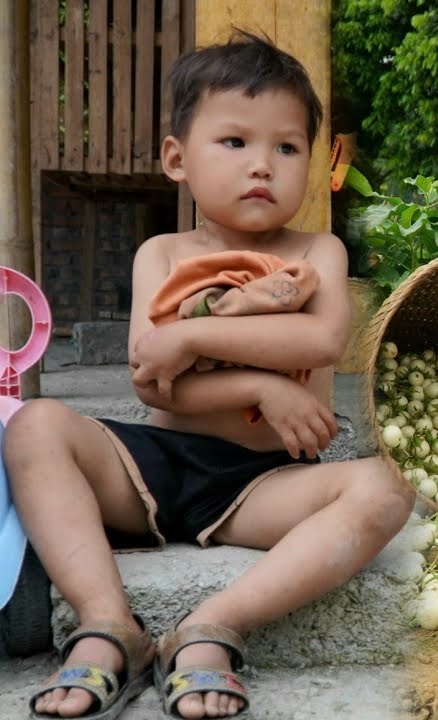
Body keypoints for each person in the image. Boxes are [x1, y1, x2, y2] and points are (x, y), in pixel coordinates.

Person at [5, 32, 413, 720]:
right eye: (235, 143)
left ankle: (209, 628)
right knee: (37, 425)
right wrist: (260, 384)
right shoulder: (161, 253)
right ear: (177, 158)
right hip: (155, 468)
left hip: (265, 485)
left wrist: (190, 335)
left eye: (286, 148)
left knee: (389, 485)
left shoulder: (318, 250)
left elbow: (323, 336)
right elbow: (150, 380)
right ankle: (109, 624)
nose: (263, 166)